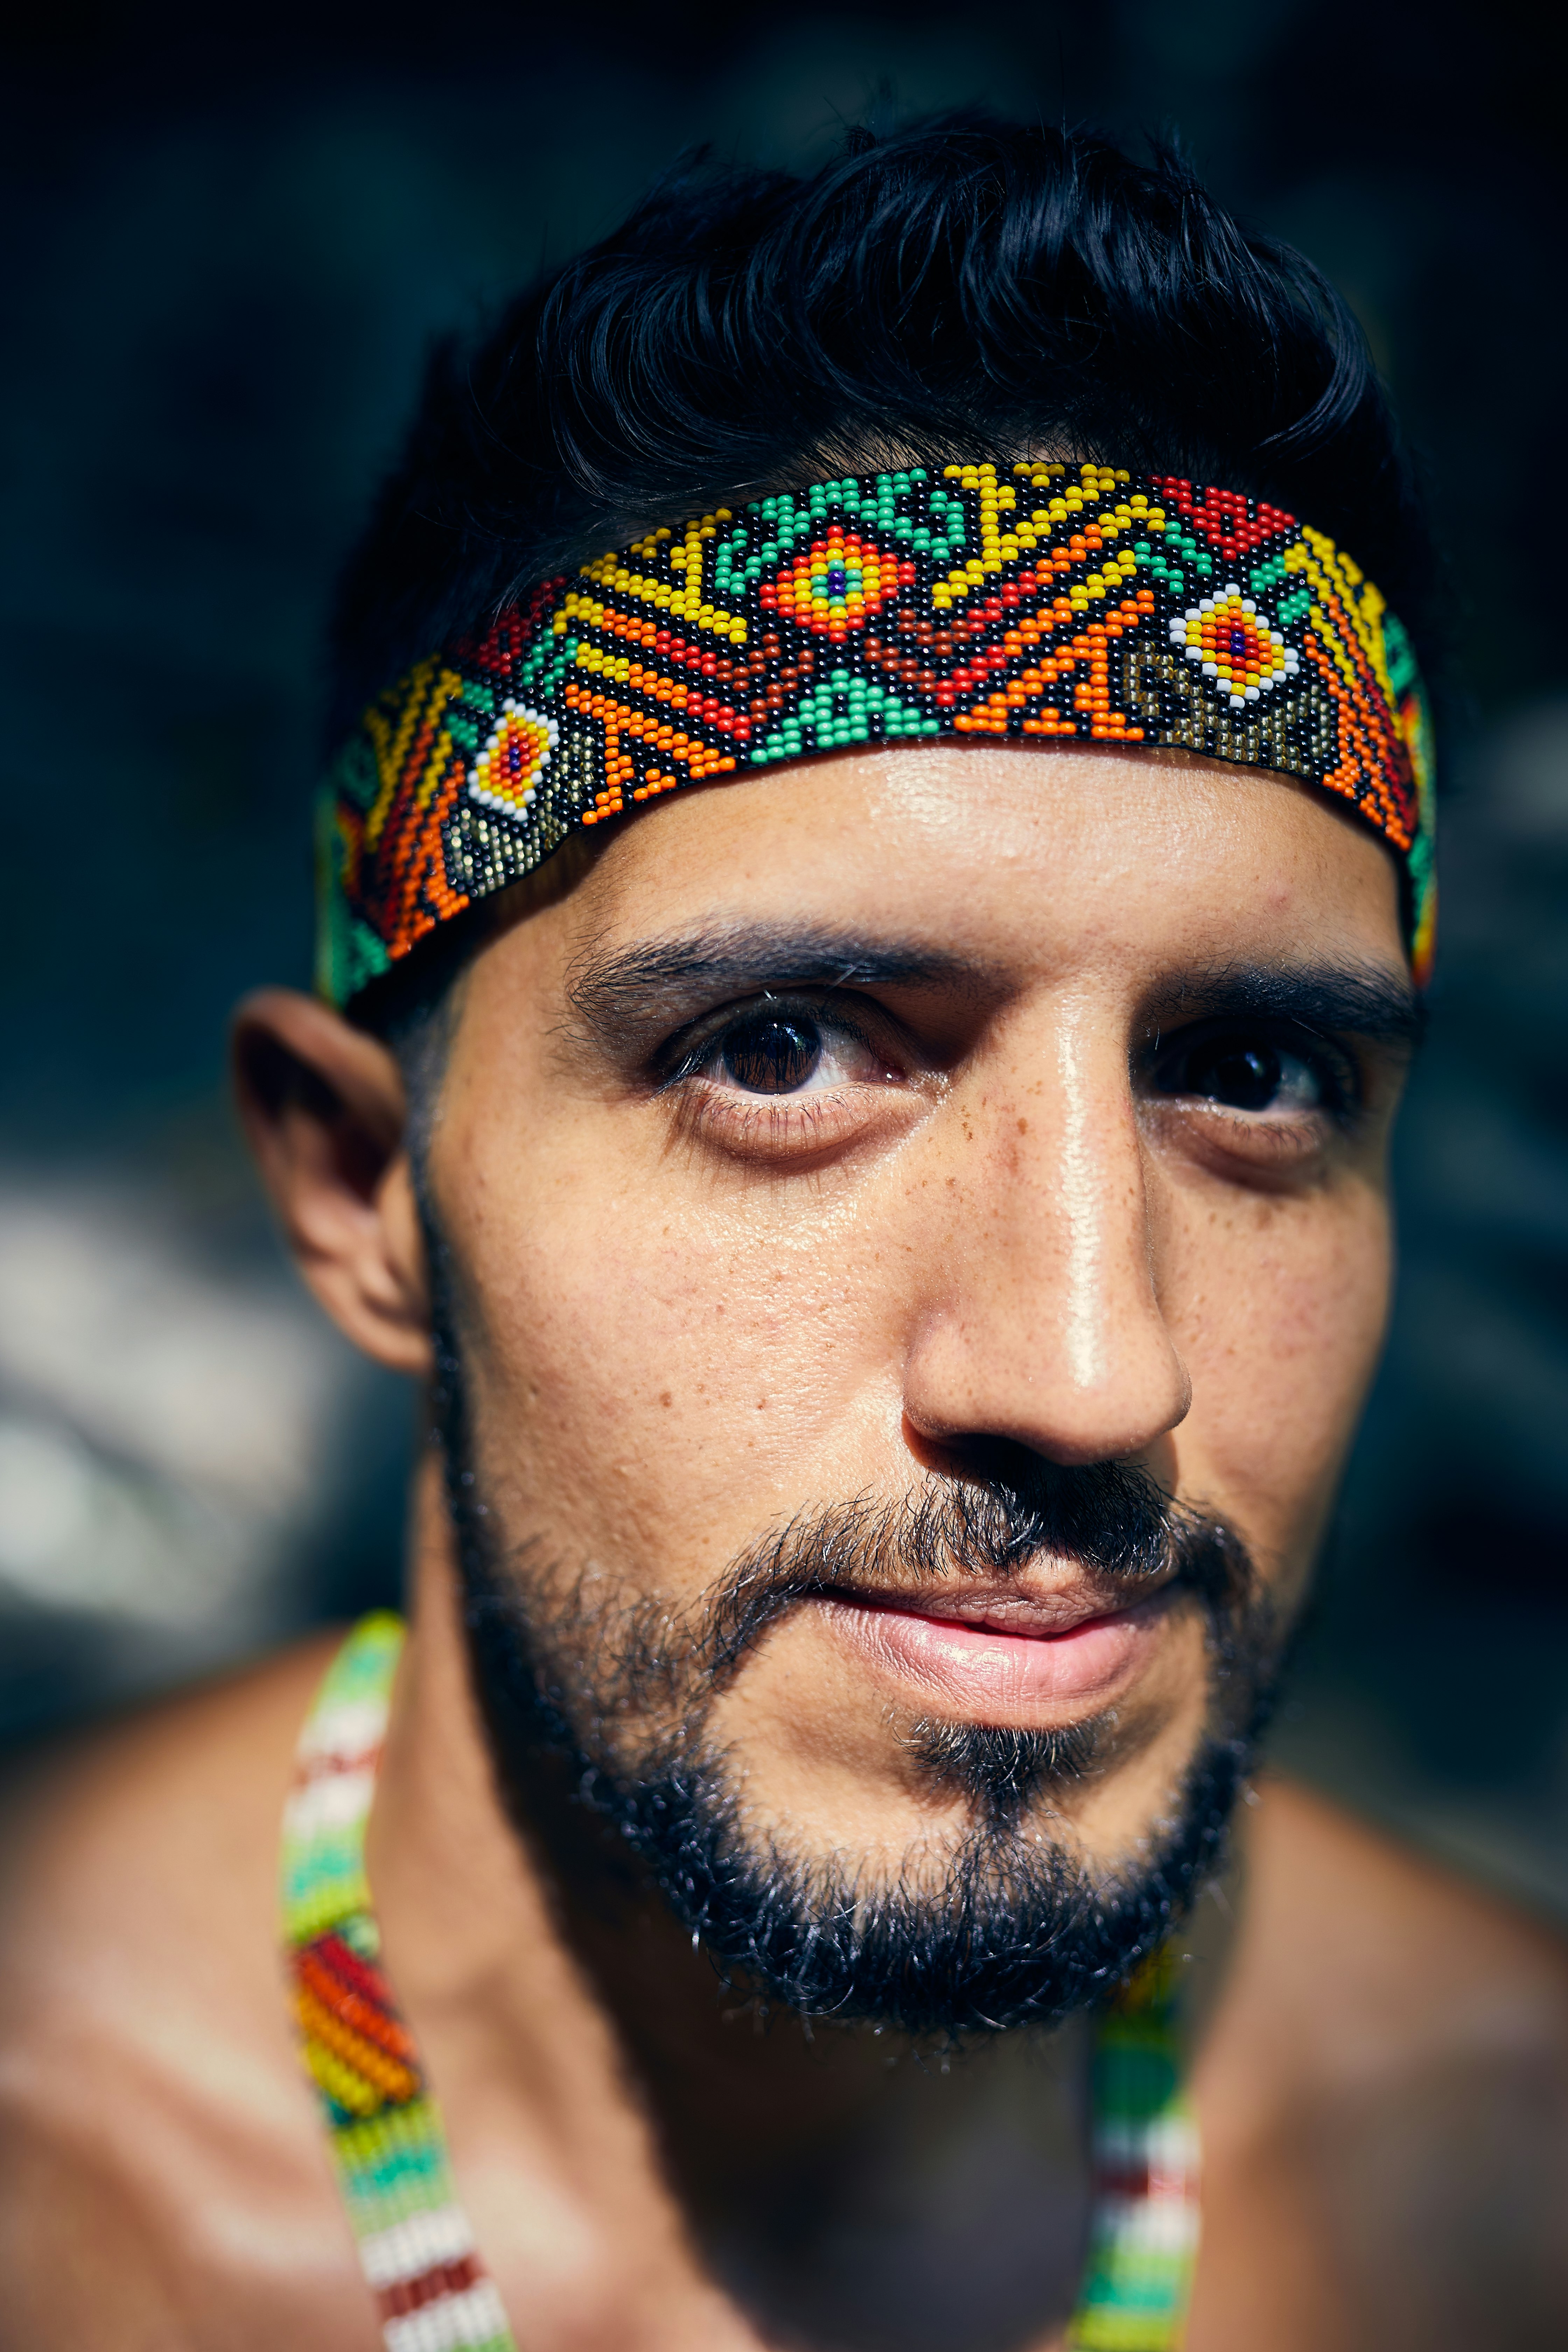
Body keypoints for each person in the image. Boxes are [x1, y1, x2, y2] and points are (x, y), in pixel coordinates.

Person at [2, 115, 1565, 2352]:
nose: (1094, 1365)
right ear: (364, 1195)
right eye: (787, 1051)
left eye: (1247, 1074)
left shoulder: (1508, 2192)